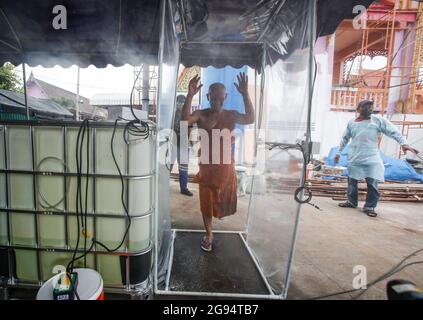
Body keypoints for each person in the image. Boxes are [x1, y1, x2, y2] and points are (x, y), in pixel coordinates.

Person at [181, 73, 254, 251]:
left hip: (225, 167)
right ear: (208, 97)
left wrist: (245, 93)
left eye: (221, 99)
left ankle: (216, 223)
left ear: (225, 97)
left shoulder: (232, 115)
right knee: (206, 203)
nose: (217, 102)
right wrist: (190, 95)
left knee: (222, 201)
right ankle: (209, 233)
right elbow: (184, 121)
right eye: (214, 98)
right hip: (206, 167)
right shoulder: (201, 114)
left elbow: (250, 119)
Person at [335, 100, 419, 217]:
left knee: (373, 183)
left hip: (371, 158)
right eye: (366, 108)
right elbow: (345, 138)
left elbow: (393, 131)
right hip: (355, 157)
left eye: (371, 108)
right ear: (358, 109)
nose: (369, 110)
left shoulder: (378, 120)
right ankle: (352, 202)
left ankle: (369, 206)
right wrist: (338, 152)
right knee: (352, 182)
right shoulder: (352, 123)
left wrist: (404, 143)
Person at [171, 94, 193, 196]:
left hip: (184, 144)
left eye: (182, 102)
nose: (180, 104)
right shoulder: (171, 114)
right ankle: (162, 185)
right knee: (168, 165)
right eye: (179, 102)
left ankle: (184, 188)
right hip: (172, 143)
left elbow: (190, 129)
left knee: (183, 167)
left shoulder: (188, 114)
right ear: (175, 103)